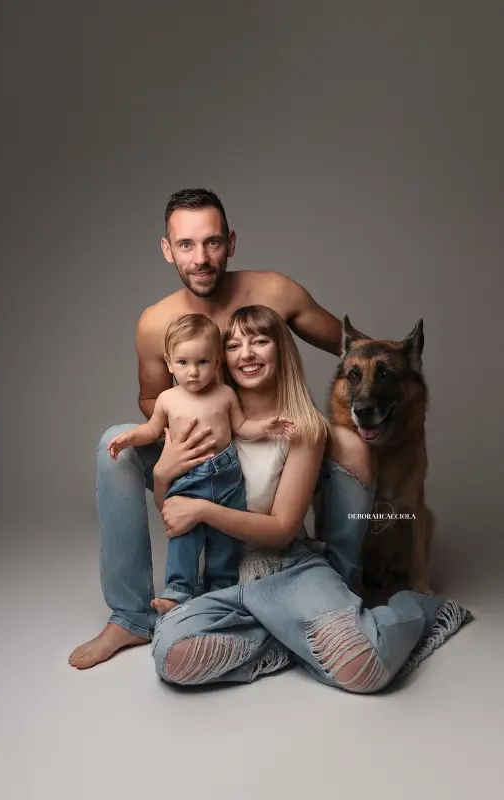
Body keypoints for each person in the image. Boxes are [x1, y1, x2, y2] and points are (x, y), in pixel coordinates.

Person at [68, 186, 367, 669]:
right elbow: (151, 398)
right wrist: (177, 449)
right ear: (167, 249)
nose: (201, 257)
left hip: (272, 433)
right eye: (185, 244)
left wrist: (390, 377)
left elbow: (354, 348)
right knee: (114, 445)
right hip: (209, 453)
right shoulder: (155, 323)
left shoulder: (275, 291)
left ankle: (344, 583)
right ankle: (129, 616)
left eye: (211, 242)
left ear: (230, 241)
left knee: (352, 447)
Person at [150, 306, 472, 693]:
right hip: (223, 575)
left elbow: (281, 531)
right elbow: (175, 517)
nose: (246, 353)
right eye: (234, 344)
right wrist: (161, 474)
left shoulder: (303, 427)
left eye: (260, 341)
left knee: (364, 669)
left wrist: (201, 508)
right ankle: (298, 637)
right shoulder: (203, 418)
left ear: (281, 349)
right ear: (221, 357)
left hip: (289, 569)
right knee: (174, 656)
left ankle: (418, 609)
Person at [107, 311, 295, 615]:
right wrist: (130, 438)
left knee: (225, 539)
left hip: (227, 476)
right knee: (184, 535)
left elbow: (242, 427)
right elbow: (153, 430)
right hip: (188, 478)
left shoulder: (225, 394)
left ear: (217, 362)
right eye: (183, 363)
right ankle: (178, 590)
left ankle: (221, 590)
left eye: (202, 362)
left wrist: (266, 427)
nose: (193, 372)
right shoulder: (167, 398)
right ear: (169, 363)